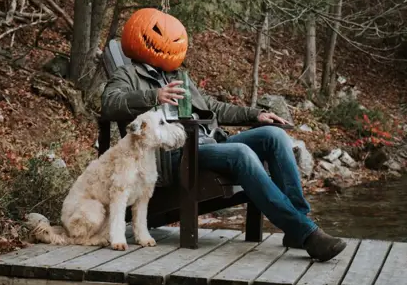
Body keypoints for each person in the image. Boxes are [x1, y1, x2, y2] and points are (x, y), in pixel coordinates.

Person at [101, 58, 347, 263]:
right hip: (177, 154)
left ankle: (298, 225)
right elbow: (109, 103)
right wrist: (154, 95)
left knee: (274, 135)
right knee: (241, 153)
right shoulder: (128, 74)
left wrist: (255, 115)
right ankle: (305, 233)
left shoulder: (178, 75)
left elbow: (212, 107)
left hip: (211, 144)